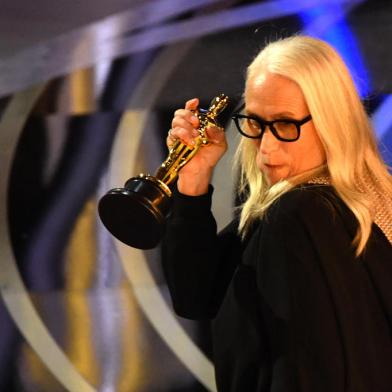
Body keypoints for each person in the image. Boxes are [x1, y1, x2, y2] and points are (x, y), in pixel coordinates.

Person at [161, 35, 392, 391]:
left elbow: (307, 372)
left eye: (285, 124)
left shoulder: (299, 213)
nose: (265, 147)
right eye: (254, 123)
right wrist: (193, 179)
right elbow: (198, 295)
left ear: (333, 120)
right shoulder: (366, 197)